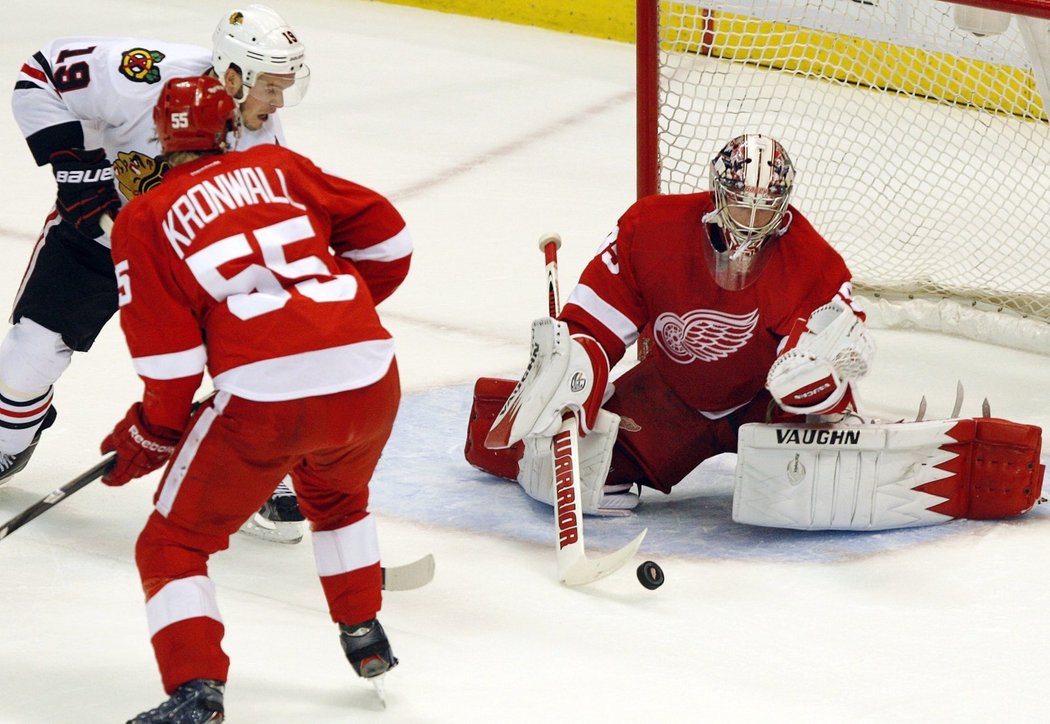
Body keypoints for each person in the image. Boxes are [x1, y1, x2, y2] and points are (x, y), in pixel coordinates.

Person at [101, 75, 411, 723]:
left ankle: (196, 690)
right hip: (369, 370)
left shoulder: (145, 216)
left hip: (269, 396)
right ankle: (363, 632)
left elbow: (171, 362)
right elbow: (390, 243)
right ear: (227, 130)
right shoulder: (280, 164)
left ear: (161, 137)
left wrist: (151, 432)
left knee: (172, 543)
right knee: (337, 496)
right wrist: (328, 325)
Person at [6, 4, 311, 543]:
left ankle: (267, 467)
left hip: (187, 265)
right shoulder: (139, 73)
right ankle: (9, 439)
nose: (278, 102)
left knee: (261, 349)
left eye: (286, 86)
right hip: (95, 239)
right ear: (232, 74)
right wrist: (78, 172)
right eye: (270, 85)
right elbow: (40, 75)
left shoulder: (263, 147)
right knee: (23, 365)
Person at [466, 134, 876, 515]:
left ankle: (838, 434)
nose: (753, 217)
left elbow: (825, 340)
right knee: (568, 472)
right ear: (718, 190)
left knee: (821, 466)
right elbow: (596, 318)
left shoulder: (812, 260)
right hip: (671, 397)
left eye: (767, 204)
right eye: (740, 201)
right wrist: (573, 366)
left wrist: (819, 377)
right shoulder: (653, 228)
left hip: (762, 400)